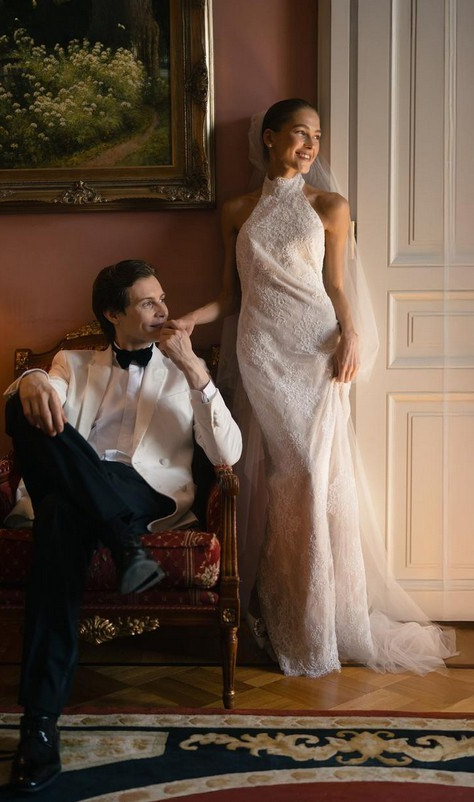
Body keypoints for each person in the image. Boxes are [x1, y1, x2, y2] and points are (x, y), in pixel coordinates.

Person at [171, 98, 456, 678]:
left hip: (317, 349)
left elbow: (337, 285)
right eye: (300, 134)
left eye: (317, 136)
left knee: (315, 475)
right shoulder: (235, 210)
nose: (310, 145)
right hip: (262, 352)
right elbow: (230, 295)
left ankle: (320, 619)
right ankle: (290, 617)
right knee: (292, 471)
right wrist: (191, 319)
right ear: (269, 137)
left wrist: (351, 334)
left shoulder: (329, 205)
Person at [3, 259, 242, 793]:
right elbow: (41, 405)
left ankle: (38, 725)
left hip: (144, 490)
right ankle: (124, 543)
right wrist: (33, 377)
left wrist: (195, 372)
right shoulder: (72, 363)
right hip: (80, 490)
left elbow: (228, 454)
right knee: (25, 415)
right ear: (113, 313)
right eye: (148, 302)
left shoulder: (184, 371)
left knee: (60, 514)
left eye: (163, 298)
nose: (163, 310)